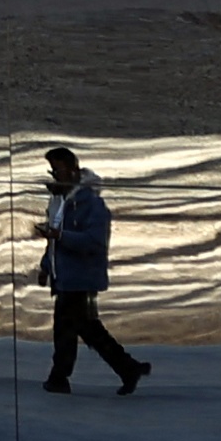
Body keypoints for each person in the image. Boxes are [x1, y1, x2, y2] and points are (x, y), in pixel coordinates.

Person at [37, 143, 145, 396]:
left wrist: (60, 235)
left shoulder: (92, 205)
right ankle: (127, 368)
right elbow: (54, 240)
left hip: (80, 278)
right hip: (66, 277)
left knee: (70, 330)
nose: (56, 177)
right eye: (53, 172)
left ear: (74, 170)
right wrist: (46, 266)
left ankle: (60, 377)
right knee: (85, 329)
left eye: (59, 171)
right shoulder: (61, 202)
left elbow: (94, 242)